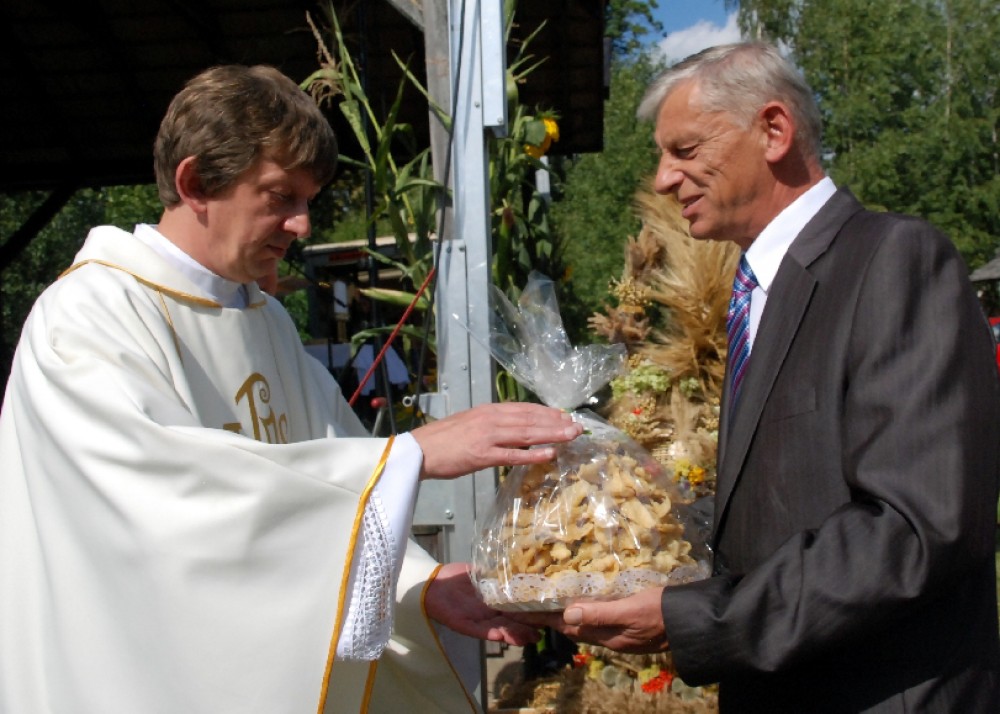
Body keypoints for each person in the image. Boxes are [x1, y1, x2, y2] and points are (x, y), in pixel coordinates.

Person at [0, 64, 583, 714]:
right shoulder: (87, 317)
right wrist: (412, 453)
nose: (303, 224)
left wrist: (417, 587)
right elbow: (162, 516)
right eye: (281, 197)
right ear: (196, 184)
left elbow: (334, 497)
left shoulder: (265, 320)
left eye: (308, 201)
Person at [520, 42, 1000, 711]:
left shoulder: (895, 261)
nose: (663, 179)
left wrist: (696, 619)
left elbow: (915, 528)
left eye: (684, 151)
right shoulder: (761, 293)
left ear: (774, 131)